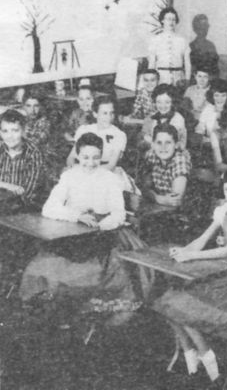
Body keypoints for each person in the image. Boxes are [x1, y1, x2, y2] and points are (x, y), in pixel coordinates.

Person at [152, 165, 227, 383]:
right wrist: (185, 250)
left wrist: (192, 257)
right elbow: (203, 240)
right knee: (167, 300)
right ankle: (191, 354)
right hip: (224, 265)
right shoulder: (223, 210)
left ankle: (206, 357)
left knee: (182, 305)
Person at [19, 133, 136, 310]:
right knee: (44, 266)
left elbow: (119, 213)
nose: (90, 162)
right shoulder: (69, 176)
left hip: (103, 234)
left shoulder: (110, 179)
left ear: (102, 156)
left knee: (87, 273)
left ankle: (78, 309)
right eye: (85, 157)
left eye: (96, 157)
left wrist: (101, 226)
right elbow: (49, 207)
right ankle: (50, 307)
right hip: (73, 233)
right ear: (78, 156)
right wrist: (76, 216)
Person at [66, 96, 139, 195]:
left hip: (107, 172)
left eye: (111, 113)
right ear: (95, 114)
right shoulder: (84, 129)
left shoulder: (119, 134)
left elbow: (111, 165)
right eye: (104, 113)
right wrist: (78, 170)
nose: (109, 117)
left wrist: (89, 173)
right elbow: (71, 158)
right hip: (82, 168)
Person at [0, 109, 44, 212]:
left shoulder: (33, 153)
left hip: (21, 210)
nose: (10, 136)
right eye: (5, 131)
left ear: (24, 130)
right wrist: (8, 185)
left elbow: (27, 193)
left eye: (15, 130)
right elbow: (15, 189)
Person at [140, 123, 191, 207]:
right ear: (153, 145)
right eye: (159, 143)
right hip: (159, 205)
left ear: (176, 145)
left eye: (168, 142)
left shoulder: (180, 160)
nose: (163, 147)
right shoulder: (151, 154)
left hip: (180, 213)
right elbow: (145, 188)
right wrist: (158, 198)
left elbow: (175, 201)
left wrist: (155, 197)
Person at [148, 7, 191, 87]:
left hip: (179, 78)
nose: (171, 22)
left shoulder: (182, 40)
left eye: (173, 19)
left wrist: (187, 79)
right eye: (168, 19)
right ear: (162, 20)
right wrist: (152, 80)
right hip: (161, 77)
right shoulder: (155, 40)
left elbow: (187, 63)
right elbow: (152, 63)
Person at [142, 84, 187, 149]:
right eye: (159, 102)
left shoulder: (178, 118)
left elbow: (175, 143)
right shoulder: (152, 117)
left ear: (173, 102)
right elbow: (145, 135)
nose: (163, 106)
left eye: (167, 102)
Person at [189, 14, 220, 79]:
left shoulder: (211, 46)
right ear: (196, 28)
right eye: (202, 26)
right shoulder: (190, 47)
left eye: (206, 26)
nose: (205, 29)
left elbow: (216, 69)